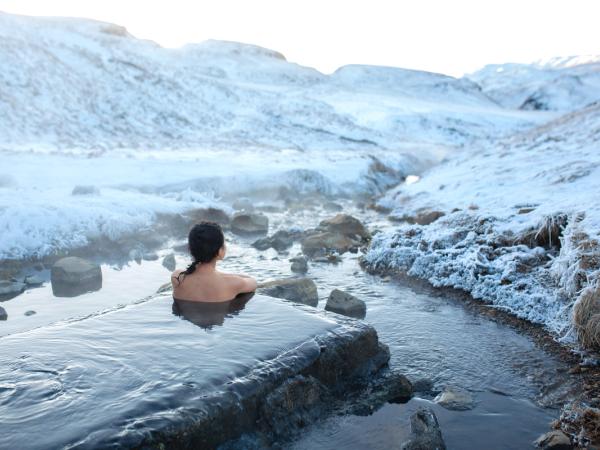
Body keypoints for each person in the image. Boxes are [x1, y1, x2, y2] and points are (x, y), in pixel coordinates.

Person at [171, 222, 257, 302]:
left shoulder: (177, 277)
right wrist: (225, 276)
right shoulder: (232, 283)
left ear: (190, 249)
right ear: (220, 251)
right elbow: (253, 282)